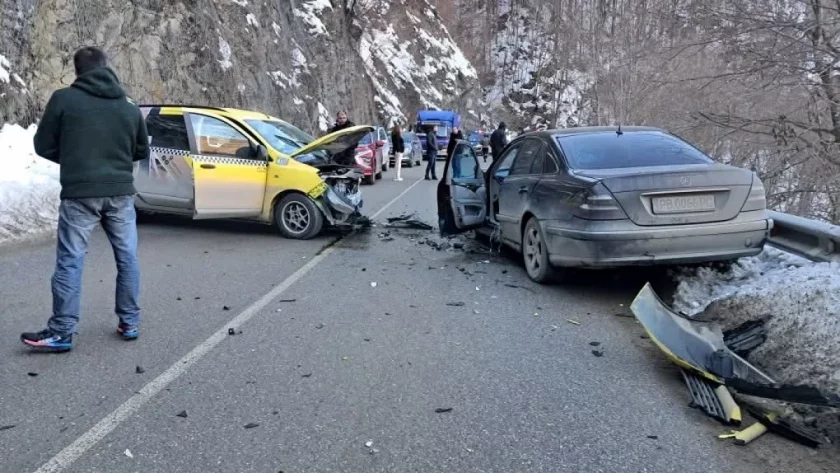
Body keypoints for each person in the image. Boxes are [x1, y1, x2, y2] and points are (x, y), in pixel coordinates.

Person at [21, 47, 149, 352]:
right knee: (127, 257)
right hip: (120, 193)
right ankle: (129, 322)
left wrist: (74, 158)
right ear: (106, 67)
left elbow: (42, 145)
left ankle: (62, 332)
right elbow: (141, 151)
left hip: (80, 194)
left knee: (70, 260)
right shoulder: (129, 107)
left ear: (77, 71)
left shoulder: (64, 99)